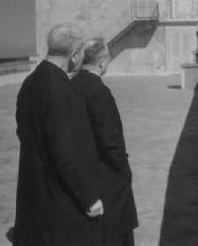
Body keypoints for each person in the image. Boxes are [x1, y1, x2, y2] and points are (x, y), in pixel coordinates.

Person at [13, 24, 104, 246]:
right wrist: (90, 197)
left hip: (33, 194)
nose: (82, 57)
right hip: (57, 202)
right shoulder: (61, 89)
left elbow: (22, 130)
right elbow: (66, 152)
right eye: (81, 52)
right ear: (73, 55)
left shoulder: (30, 82)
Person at [72, 38, 138, 246]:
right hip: (106, 175)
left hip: (83, 173)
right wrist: (124, 168)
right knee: (116, 232)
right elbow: (111, 140)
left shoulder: (71, 85)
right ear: (102, 63)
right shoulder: (98, 91)